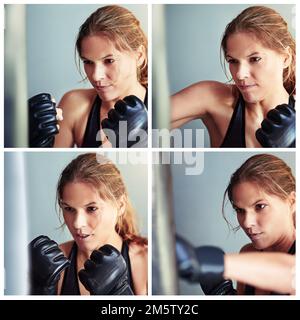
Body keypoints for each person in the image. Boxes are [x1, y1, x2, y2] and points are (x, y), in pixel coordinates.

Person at [171, 6, 295, 147]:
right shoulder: (213, 98)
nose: (240, 75)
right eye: (233, 61)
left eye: (254, 59)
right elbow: (148, 121)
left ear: (285, 58)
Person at [28, 5, 148, 148]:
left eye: (109, 61)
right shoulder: (74, 104)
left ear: (139, 56)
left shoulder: (160, 110)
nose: (96, 76)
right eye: (88, 62)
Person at [28, 153, 148, 295]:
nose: (77, 224)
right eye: (69, 209)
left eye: (91, 209)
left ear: (120, 205)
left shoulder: (145, 259)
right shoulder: (54, 265)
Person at [176, 153, 295, 294]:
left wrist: (219, 263)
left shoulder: (245, 262)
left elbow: (292, 273)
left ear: (292, 201)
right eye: (240, 210)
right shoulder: (247, 253)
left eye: (260, 206)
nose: (247, 222)